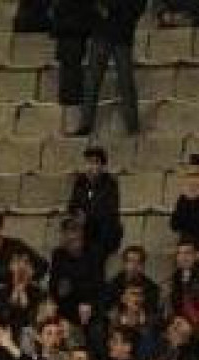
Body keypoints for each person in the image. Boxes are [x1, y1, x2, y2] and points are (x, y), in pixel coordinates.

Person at [74, 0, 145, 136]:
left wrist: (126, 17)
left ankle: (132, 125)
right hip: (102, 30)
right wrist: (99, 11)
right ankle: (85, 124)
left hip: (122, 31)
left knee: (125, 81)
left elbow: (139, 6)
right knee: (92, 80)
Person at [68, 146, 123, 265]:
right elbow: (72, 205)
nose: (92, 167)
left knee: (101, 234)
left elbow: (109, 211)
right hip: (85, 229)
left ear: (102, 166)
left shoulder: (110, 183)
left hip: (103, 231)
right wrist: (78, 213)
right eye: (89, 162)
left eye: (95, 162)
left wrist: (87, 217)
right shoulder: (80, 182)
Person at [51, 0, 92, 133]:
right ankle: (71, 120)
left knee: (71, 77)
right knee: (70, 75)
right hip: (70, 32)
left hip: (73, 32)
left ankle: (73, 121)